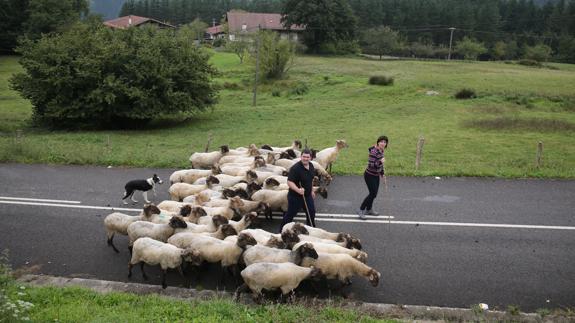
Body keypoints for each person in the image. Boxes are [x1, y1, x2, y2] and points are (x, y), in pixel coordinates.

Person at [279, 149, 316, 231]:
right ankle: (281, 231)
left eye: (307, 157)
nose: (305, 159)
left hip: (307, 195)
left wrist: (312, 190)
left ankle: (311, 229)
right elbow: (289, 182)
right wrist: (298, 190)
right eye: (304, 157)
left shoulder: (311, 166)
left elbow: (311, 180)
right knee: (290, 215)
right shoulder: (295, 168)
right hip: (295, 197)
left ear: (311, 158)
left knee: (311, 212)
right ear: (301, 156)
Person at [357, 135, 388, 220]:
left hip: (376, 175)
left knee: (374, 194)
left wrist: (382, 174)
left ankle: (369, 209)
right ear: (378, 142)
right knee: (372, 194)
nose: (383, 143)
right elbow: (371, 165)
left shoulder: (381, 151)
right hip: (369, 175)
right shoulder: (374, 151)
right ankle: (361, 209)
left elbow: (381, 166)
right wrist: (380, 161)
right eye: (381, 141)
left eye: (385, 142)